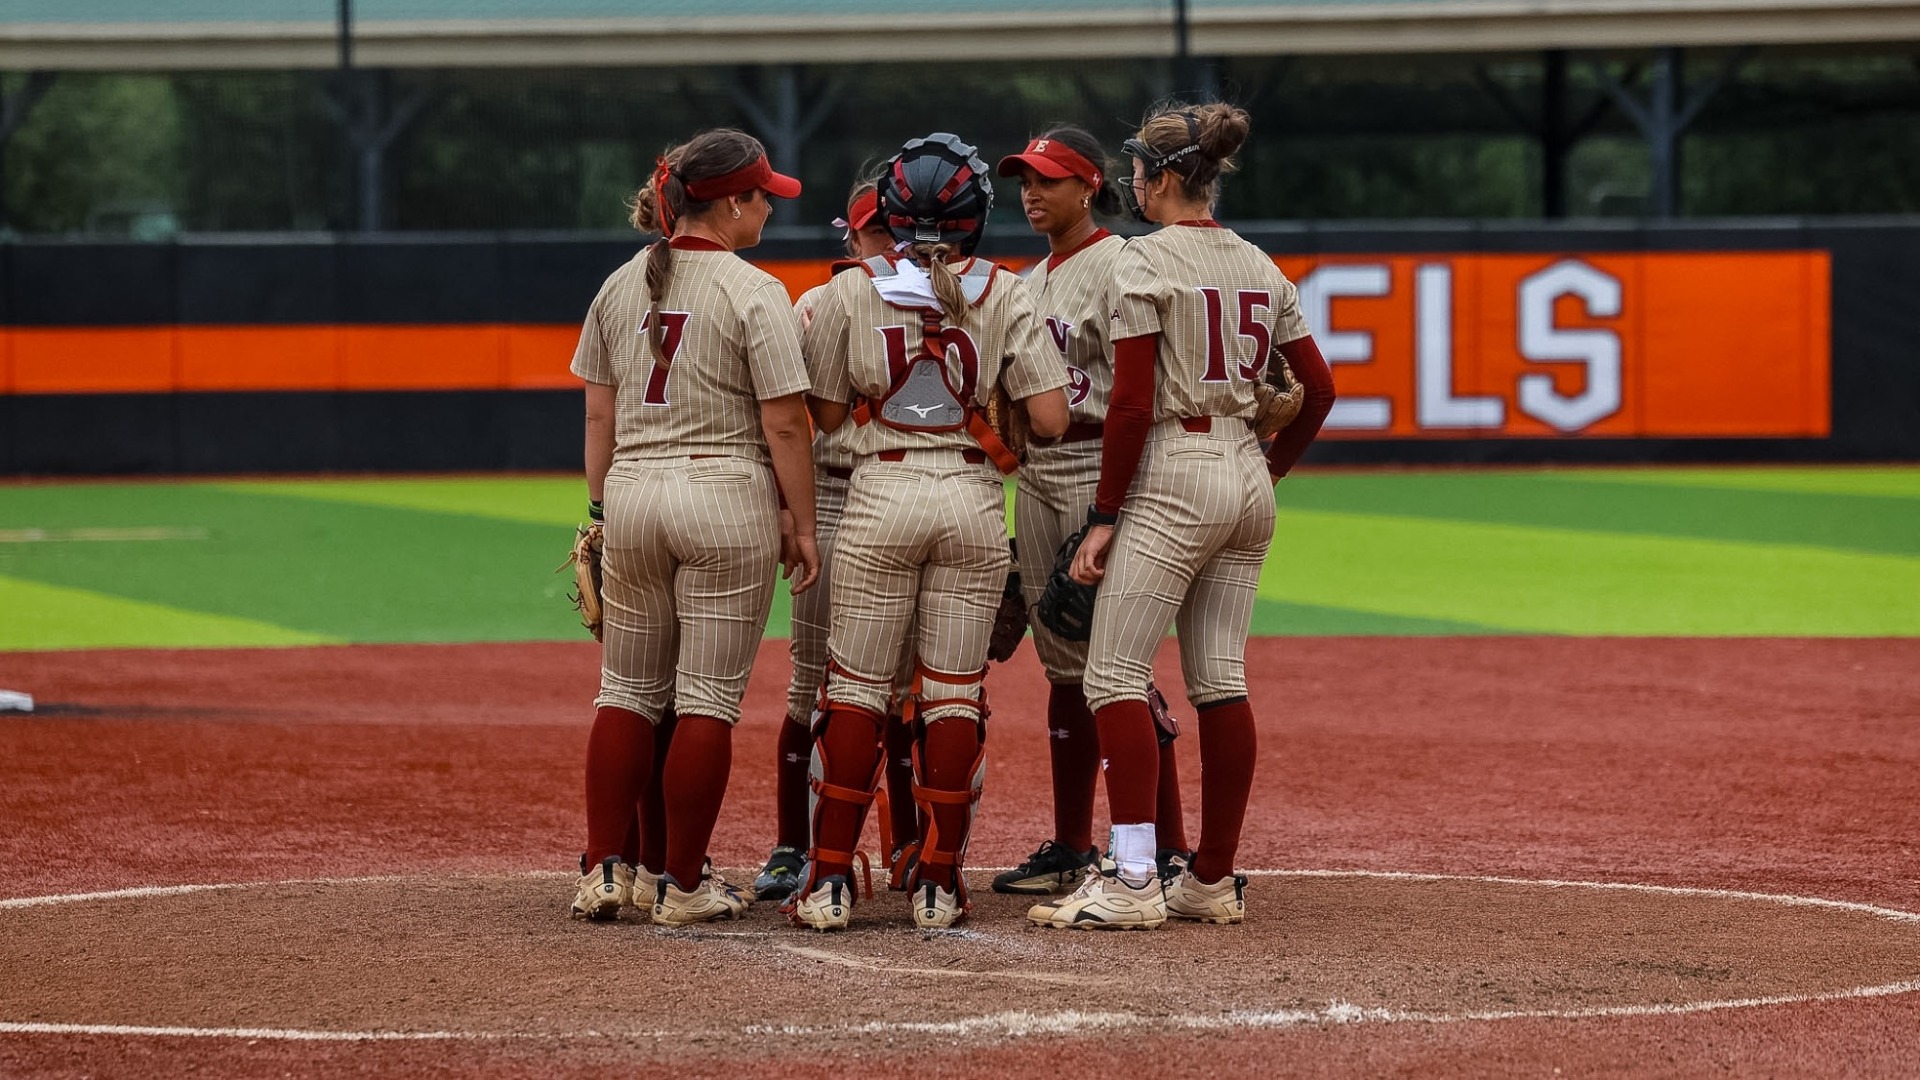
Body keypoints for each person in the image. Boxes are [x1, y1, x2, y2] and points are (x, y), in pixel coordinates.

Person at [1028, 103, 1336, 930]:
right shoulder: (1259, 264)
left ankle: (1131, 879)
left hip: (1173, 467)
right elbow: (1321, 388)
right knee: (1221, 682)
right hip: (1244, 472)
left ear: (1163, 177)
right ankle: (1211, 878)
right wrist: (1267, 472)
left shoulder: (1144, 262)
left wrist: (1103, 517)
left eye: (1138, 168)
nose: (1132, 181)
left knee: (1112, 678)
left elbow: (1129, 406)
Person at [791, 132, 1071, 930]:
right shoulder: (1010, 292)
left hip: (880, 491)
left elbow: (823, 415)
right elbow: (1049, 418)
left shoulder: (850, 291)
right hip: (973, 499)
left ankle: (829, 882)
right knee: (952, 693)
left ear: (888, 209)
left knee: (852, 690)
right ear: (977, 216)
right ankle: (940, 885)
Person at [569, 127, 821, 927]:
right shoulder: (756, 291)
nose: (767, 213)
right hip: (725, 496)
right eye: (761, 199)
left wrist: (602, 510)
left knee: (626, 694)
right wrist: (804, 525)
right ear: (732, 202)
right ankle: (681, 884)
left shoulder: (618, 284)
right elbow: (785, 424)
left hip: (635, 491)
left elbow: (598, 411)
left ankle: (608, 870)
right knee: (706, 700)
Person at [991, 126, 1194, 898]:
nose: (1032, 192)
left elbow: (1142, 385)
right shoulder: (1027, 279)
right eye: (1024, 180)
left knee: (1119, 664)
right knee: (1064, 668)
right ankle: (1073, 845)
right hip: (1039, 474)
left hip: (1098, 468)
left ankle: (1168, 847)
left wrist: (1116, 502)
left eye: (1048, 179)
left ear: (1090, 187)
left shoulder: (1120, 263)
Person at [752, 179, 918, 903]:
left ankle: (911, 841)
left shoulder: (937, 299)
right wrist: (793, 515)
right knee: (810, 678)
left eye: (900, 229)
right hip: (829, 488)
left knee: (908, 687)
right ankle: (795, 844)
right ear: (850, 240)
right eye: (877, 232)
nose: (892, 243)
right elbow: (785, 420)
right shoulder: (813, 307)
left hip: (905, 490)